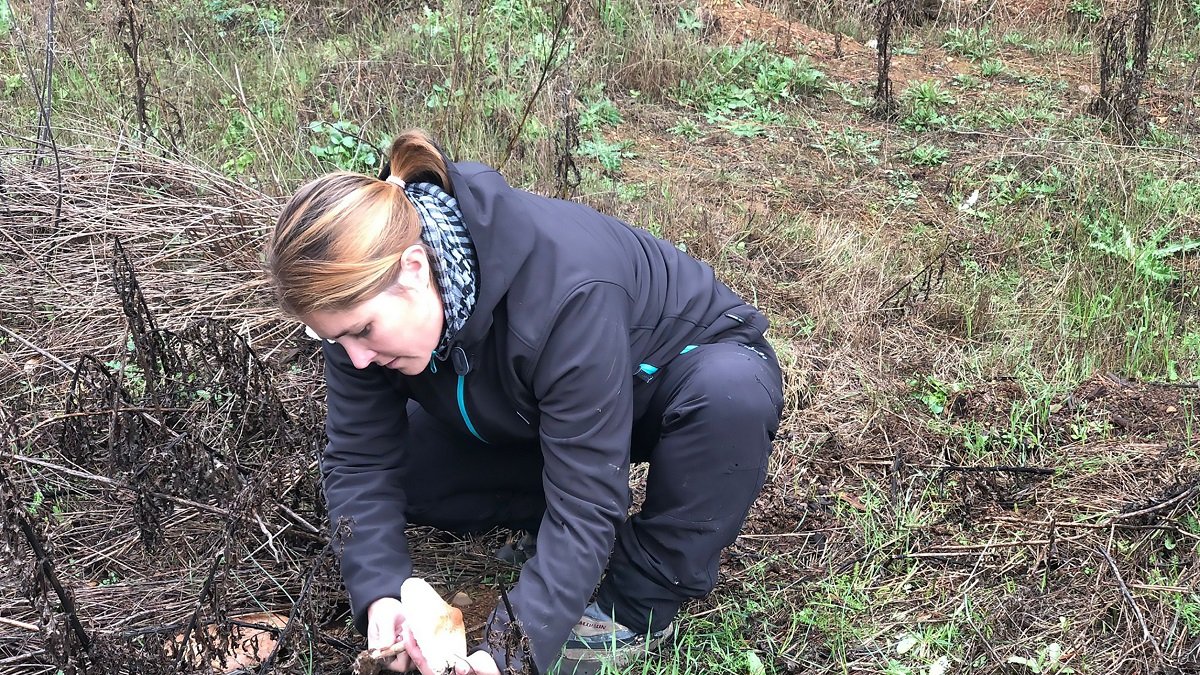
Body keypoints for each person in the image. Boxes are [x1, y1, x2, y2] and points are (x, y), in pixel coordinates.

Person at [266, 130, 784, 675]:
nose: (357, 358)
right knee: (414, 477)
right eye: (334, 339)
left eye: (362, 331)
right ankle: (547, 526)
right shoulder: (358, 311)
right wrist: (380, 593)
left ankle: (638, 603)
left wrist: (509, 651)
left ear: (414, 269)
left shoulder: (567, 291)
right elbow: (360, 459)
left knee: (732, 394)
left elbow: (587, 501)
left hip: (660, 385)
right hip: (535, 407)